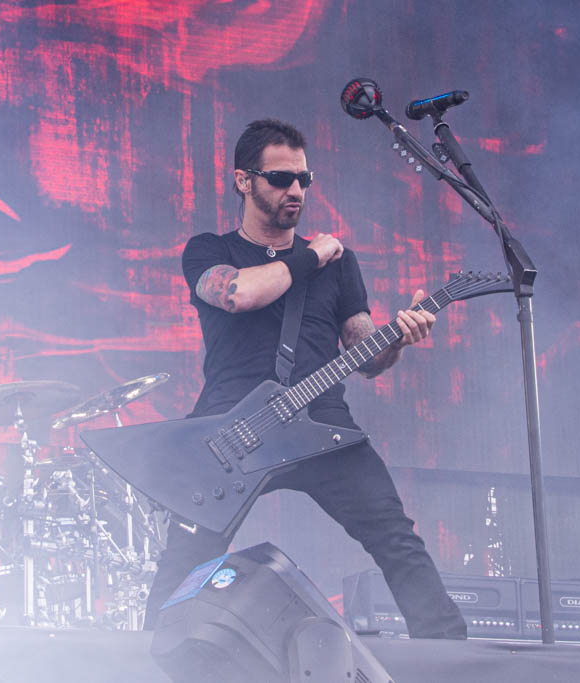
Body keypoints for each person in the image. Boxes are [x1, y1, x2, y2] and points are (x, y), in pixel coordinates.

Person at [143, 119, 466, 639]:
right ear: (243, 181)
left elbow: (364, 354)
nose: (295, 190)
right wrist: (310, 255)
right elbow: (239, 294)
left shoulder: (340, 264)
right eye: (280, 178)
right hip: (228, 431)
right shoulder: (209, 251)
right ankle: (149, 662)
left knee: (396, 538)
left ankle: (451, 656)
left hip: (321, 424)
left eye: (303, 179)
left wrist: (398, 339)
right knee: (185, 560)